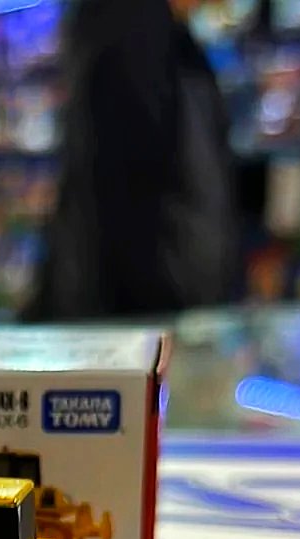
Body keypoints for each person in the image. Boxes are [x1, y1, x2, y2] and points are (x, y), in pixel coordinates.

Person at [21, 0, 241, 321]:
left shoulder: (161, 35)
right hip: (143, 307)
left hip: (155, 303)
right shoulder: (130, 30)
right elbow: (124, 183)